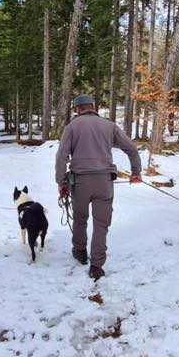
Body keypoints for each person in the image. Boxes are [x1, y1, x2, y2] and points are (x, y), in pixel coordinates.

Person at [55, 94, 142, 280]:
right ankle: (97, 265)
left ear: (77, 109)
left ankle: (79, 251)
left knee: (80, 218)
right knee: (101, 225)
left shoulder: (72, 127)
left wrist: (61, 182)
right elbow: (132, 149)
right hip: (104, 182)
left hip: (80, 182)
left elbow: (62, 156)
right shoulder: (109, 126)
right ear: (93, 106)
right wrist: (136, 172)